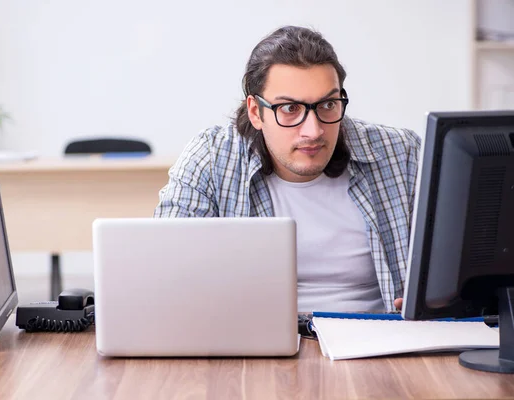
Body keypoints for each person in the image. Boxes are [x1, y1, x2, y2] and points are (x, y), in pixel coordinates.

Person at [153, 25, 420, 313]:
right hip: (257, 344)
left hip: (381, 342)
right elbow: (166, 274)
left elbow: (460, 265)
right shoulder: (211, 156)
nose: (313, 130)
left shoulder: (401, 153)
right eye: (290, 109)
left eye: (328, 104)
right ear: (256, 112)